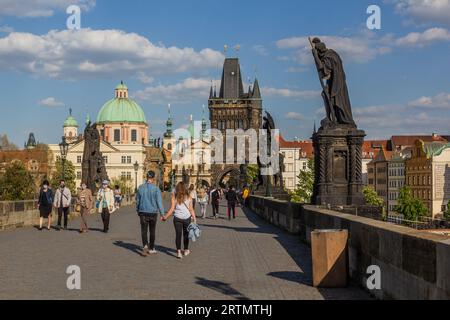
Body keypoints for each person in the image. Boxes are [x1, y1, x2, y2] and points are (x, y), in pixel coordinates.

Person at [163, 182, 197, 259]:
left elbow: (172, 209)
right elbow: (191, 209)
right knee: (186, 234)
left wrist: (165, 217)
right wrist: (194, 218)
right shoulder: (189, 197)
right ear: (185, 189)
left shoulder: (174, 197)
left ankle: (178, 252)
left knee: (178, 235)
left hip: (177, 219)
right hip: (186, 218)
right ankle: (185, 250)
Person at [136, 171, 165, 256]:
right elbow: (159, 202)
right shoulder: (156, 189)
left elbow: (137, 200)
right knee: (152, 231)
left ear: (146, 177)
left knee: (143, 231)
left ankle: (145, 245)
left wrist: (138, 210)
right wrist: (162, 214)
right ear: (153, 178)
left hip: (143, 212)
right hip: (152, 212)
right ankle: (151, 248)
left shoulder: (140, 188)